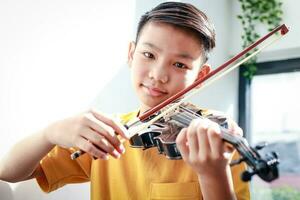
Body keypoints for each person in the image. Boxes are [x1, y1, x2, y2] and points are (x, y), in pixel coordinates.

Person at [0, 2, 250, 199]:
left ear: (200, 77)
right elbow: (8, 172)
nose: (158, 75)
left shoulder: (217, 139)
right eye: (149, 54)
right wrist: (50, 133)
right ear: (131, 54)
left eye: (179, 64)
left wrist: (213, 174)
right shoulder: (107, 136)